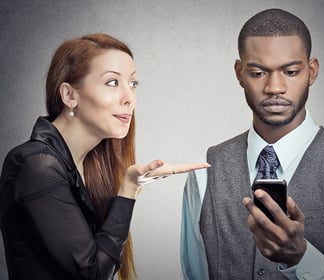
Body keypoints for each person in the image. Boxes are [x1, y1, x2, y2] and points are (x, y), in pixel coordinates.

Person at [180, 9, 324, 279]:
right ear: (239, 73)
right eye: (258, 73)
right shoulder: (203, 173)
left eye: (290, 71)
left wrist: (301, 258)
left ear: (312, 72)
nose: (275, 87)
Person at [0, 33, 209, 280]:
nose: (129, 98)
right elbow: (93, 273)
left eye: (133, 84)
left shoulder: (84, 163)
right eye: (112, 82)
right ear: (69, 96)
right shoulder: (37, 165)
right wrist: (128, 189)